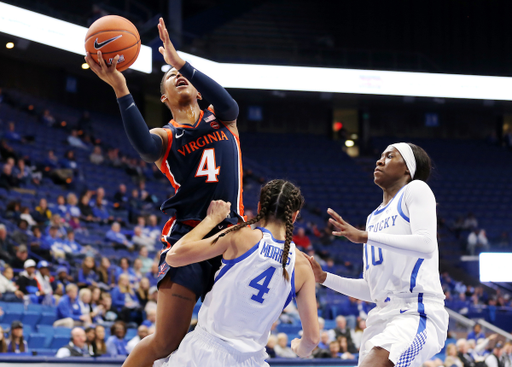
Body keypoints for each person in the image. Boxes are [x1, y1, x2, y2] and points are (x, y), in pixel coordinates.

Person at [85, 17, 245, 367]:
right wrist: (120, 87)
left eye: (183, 76)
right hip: (188, 238)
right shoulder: (166, 137)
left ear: (199, 91)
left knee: (230, 340)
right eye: (171, 78)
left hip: (233, 239)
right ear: (164, 97)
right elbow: (143, 146)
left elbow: (229, 103)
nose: (178, 77)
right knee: (165, 342)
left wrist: (180, 62)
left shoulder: (224, 120)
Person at [306, 142, 449, 367]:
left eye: (390, 156)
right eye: (381, 155)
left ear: (407, 169)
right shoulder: (373, 218)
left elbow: (427, 243)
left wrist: (364, 237)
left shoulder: (416, 189)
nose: (380, 160)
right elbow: (372, 290)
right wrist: (324, 278)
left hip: (415, 310)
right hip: (381, 315)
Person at [163, 179, 319, 365]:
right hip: (251, 361)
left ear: (260, 206)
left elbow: (173, 256)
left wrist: (212, 219)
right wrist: (298, 348)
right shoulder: (303, 266)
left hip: (204, 354)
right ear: (294, 216)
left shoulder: (240, 236)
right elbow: (312, 339)